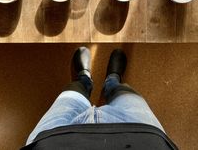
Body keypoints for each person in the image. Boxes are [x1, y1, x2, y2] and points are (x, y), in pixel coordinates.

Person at [21, 47, 178, 150]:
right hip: (142, 135)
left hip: (54, 140)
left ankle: (84, 79)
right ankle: (113, 80)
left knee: (71, 94)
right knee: (126, 93)